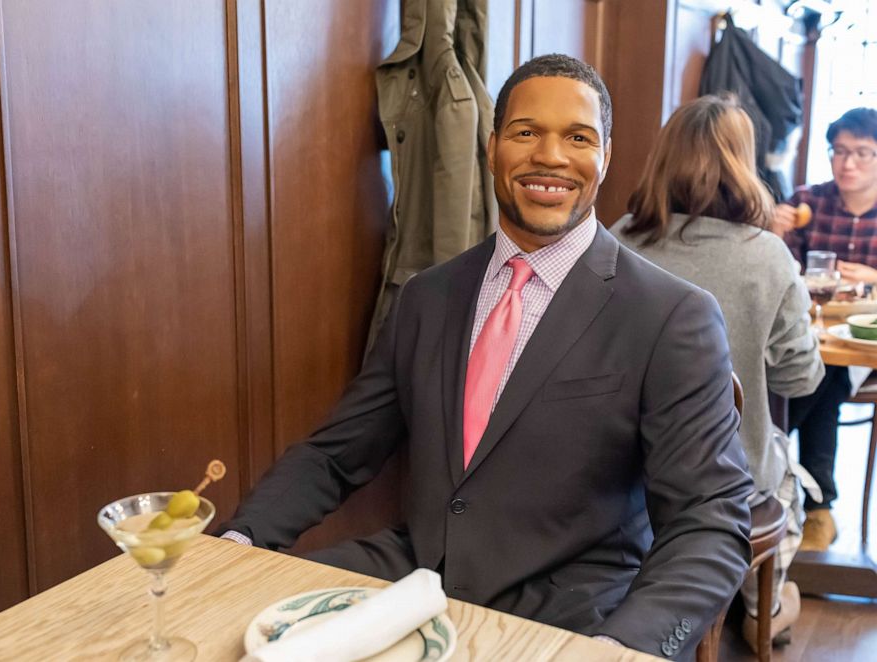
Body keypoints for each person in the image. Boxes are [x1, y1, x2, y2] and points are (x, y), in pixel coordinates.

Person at [217, 54, 753, 660]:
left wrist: (622, 648)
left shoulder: (671, 315)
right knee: (231, 634)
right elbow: (336, 456)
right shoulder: (428, 296)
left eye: (577, 138)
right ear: (493, 145)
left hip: (573, 614)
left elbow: (709, 519)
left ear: (604, 155)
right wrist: (238, 542)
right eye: (526, 132)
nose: (550, 156)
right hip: (412, 581)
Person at [611, 94, 824, 652]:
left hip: (619, 470)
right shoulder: (767, 256)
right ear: (742, 162)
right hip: (723, 480)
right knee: (785, 468)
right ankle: (762, 605)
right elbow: (802, 378)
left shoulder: (617, 239)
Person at [773, 107, 877, 552]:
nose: (847, 163)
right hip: (807, 337)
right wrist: (771, 234)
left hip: (863, 350)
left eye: (862, 154)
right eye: (839, 152)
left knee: (823, 376)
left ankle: (768, 463)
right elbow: (779, 277)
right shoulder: (807, 203)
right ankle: (819, 507)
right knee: (820, 375)